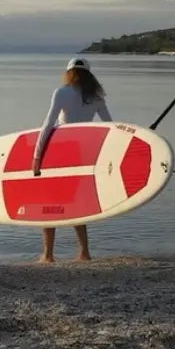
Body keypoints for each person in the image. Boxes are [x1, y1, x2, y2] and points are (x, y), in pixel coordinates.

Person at [32, 57, 112, 263]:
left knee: (49, 202)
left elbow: (48, 124)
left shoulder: (62, 92)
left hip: (57, 151)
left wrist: (37, 156)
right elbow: (110, 127)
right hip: (82, 154)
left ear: (69, 72)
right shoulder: (97, 97)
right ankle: (84, 252)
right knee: (76, 203)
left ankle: (48, 255)